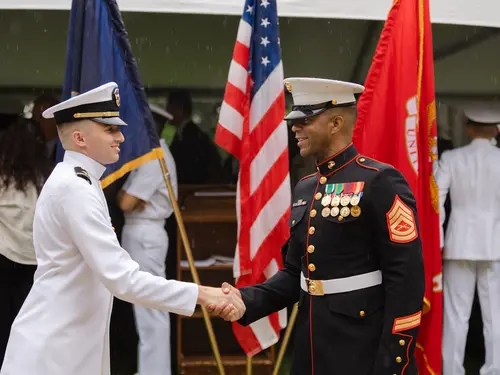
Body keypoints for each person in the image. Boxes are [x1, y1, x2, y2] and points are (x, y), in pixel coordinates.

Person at [0, 82, 244, 375]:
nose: (121, 137)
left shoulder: (81, 181)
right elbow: (122, 279)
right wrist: (205, 295)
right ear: (79, 137)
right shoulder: (75, 188)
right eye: (109, 130)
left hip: (67, 345)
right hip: (55, 351)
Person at [209, 78, 425, 375]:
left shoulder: (380, 181)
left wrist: (394, 359)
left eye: (305, 120)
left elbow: (406, 278)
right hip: (312, 343)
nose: (295, 128)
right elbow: (295, 272)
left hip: (362, 347)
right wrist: (246, 301)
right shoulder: (306, 188)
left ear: (336, 123)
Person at [437, 105, 500, 375]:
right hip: (494, 243)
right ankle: (494, 369)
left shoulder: (451, 158)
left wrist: (437, 238)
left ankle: (452, 370)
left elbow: (435, 200)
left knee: (455, 314)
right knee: (495, 315)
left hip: (457, 242)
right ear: (496, 130)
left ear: (469, 129)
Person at [117, 106, 177, 375]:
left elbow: (125, 202)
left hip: (145, 234)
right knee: (148, 309)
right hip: (142, 233)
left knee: (151, 310)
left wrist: (124, 197)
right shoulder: (150, 155)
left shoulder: (154, 157)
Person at [0, 117, 51, 367]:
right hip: (33, 260)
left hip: (3, 256)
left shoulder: (2, 174)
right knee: (27, 322)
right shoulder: (47, 179)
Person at [166, 89, 223, 184]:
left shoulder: (193, 137)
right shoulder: (181, 135)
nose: (167, 111)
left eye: (169, 107)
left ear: (179, 108)